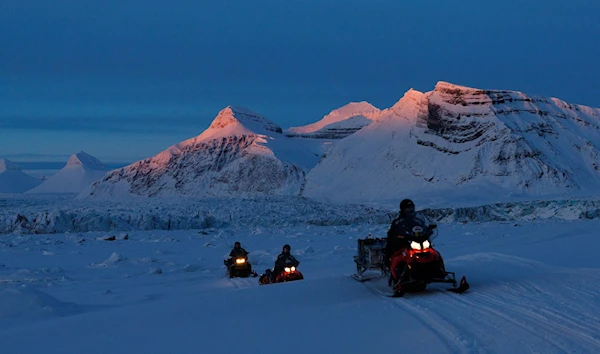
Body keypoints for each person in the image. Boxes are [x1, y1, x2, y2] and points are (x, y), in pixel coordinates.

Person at [385, 199, 433, 284]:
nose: (410, 209)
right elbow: (394, 231)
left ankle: (439, 271)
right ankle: (396, 276)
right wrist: (399, 235)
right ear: (403, 209)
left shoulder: (418, 220)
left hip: (417, 241)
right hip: (403, 243)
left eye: (412, 207)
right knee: (400, 254)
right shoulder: (399, 221)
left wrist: (428, 230)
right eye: (408, 208)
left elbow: (423, 226)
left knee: (433, 252)